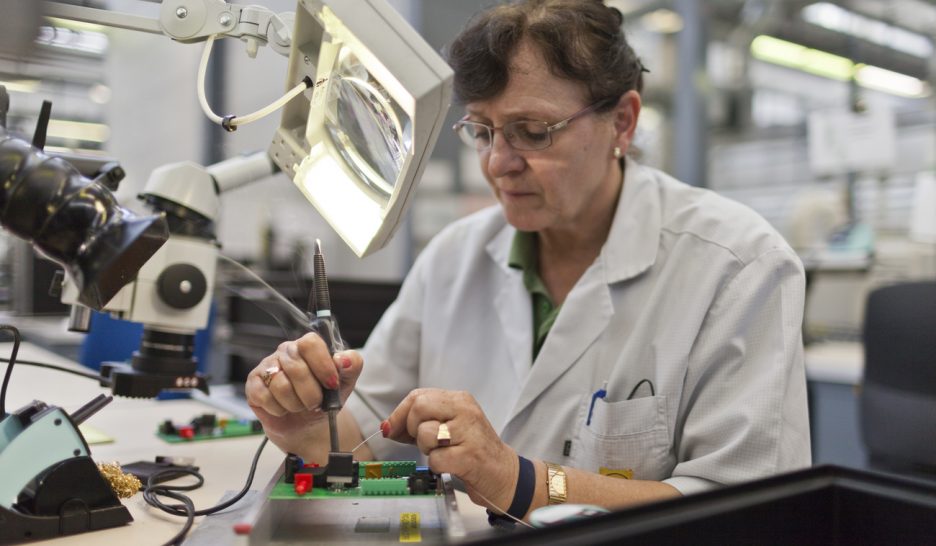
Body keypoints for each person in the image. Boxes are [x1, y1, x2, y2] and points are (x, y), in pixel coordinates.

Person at [245, 0, 810, 522]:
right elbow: (368, 434)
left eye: (533, 133)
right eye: (483, 131)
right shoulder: (453, 258)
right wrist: (304, 424)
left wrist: (522, 483)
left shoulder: (739, 266)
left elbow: (749, 511)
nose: (498, 163)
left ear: (623, 122)